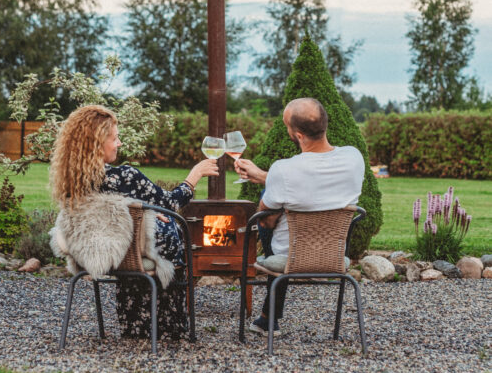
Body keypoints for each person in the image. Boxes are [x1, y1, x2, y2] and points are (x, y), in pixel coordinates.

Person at [50, 104, 218, 340]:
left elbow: (111, 212)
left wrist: (144, 214)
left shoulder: (72, 184)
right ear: (97, 143)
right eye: (115, 139)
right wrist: (195, 175)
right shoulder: (126, 176)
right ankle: (169, 323)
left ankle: (134, 322)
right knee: (173, 228)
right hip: (134, 255)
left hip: (100, 254)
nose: (119, 144)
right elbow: (170, 202)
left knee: (157, 222)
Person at [234, 98, 365, 336]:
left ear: (298, 135)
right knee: (278, 201)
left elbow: (265, 219)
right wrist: (265, 176)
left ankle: (268, 318)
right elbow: (315, 181)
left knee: (269, 211)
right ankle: (266, 318)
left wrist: (270, 183)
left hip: (289, 255)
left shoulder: (283, 169)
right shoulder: (354, 158)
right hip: (334, 256)